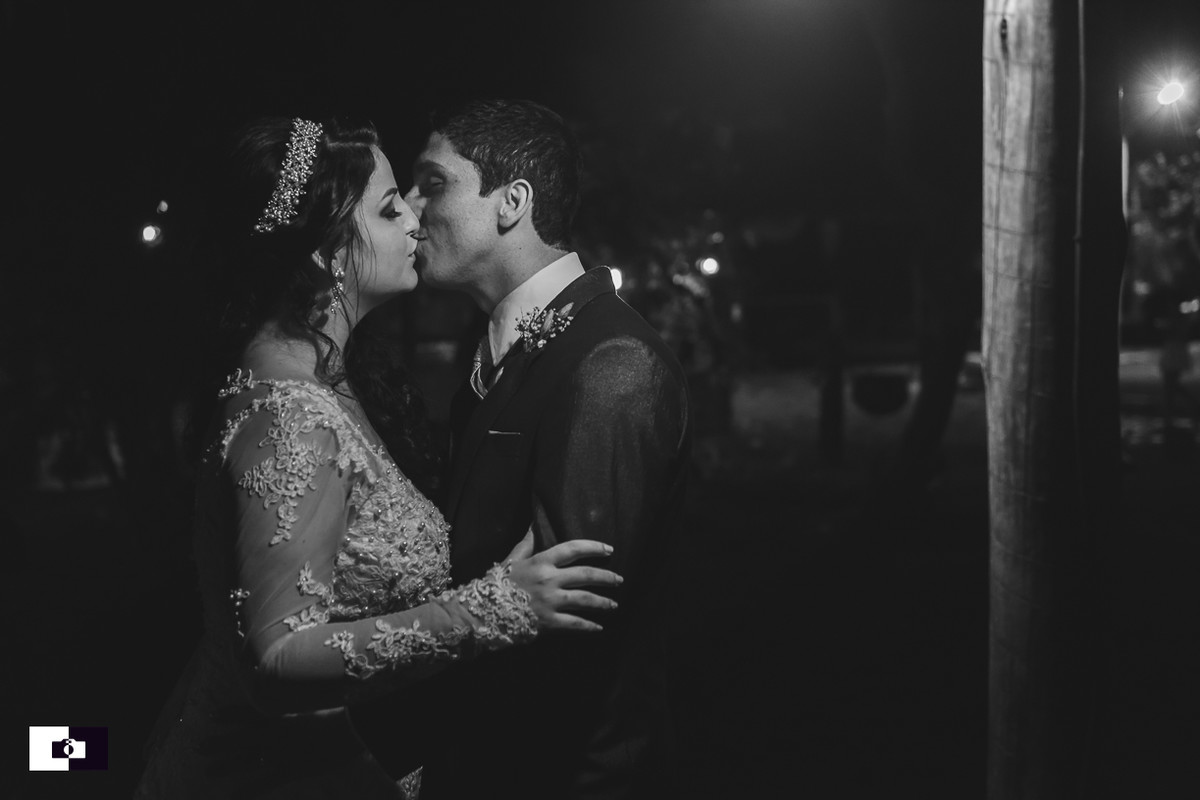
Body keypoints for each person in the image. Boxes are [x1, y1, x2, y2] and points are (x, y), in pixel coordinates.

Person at [135, 115, 622, 799]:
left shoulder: (332, 381)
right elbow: (275, 660)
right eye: (391, 208)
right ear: (323, 254)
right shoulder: (292, 418)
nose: (416, 222)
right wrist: (490, 611)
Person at [355, 98, 692, 799]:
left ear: (512, 202)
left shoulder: (612, 361)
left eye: (434, 183)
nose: (412, 208)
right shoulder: (499, 349)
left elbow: (570, 621)